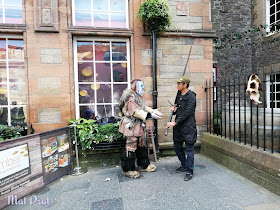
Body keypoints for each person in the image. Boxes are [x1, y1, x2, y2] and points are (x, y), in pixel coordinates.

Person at [119, 79, 163, 178]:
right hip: (131, 126)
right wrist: (150, 115)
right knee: (130, 146)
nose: (143, 88)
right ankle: (128, 169)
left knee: (141, 144)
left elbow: (143, 107)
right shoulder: (130, 98)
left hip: (138, 125)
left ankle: (143, 165)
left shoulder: (137, 97)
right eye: (141, 86)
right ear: (135, 87)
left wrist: (153, 111)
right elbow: (135, 112)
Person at [166, 76, 197, 181]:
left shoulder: (191, 96)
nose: (177, 85)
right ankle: (184, 164)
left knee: (189, 150)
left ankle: (189, 171)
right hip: (178, 126)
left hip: (188, 126)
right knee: (177, 147)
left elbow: (187, 112)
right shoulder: (179, 94)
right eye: (177, 83)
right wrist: (174, 110)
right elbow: (178, 108)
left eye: (179, 84)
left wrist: (175, 122)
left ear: (185, 85)